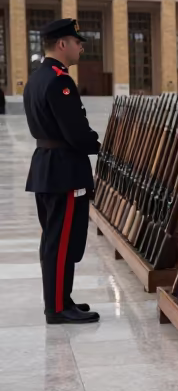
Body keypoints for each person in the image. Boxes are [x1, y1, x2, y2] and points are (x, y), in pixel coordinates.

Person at [23, 18, 100, 324]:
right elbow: (75, 132)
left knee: (58, 239)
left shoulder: (38, 78)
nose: (81, 46)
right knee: (61, 240)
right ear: (61, 44)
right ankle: (56, 308)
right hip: (64, 170)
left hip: (48, 165)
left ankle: (62, 299)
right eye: (77, 41)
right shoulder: (59, 81)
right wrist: (98, 145)